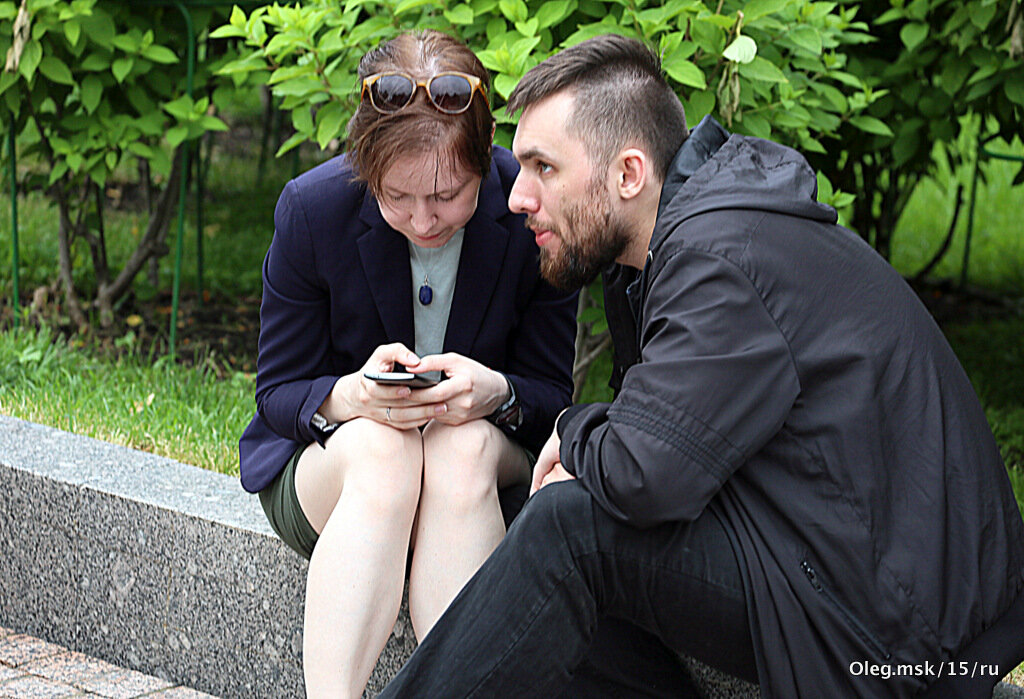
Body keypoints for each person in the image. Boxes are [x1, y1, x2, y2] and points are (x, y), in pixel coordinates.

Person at [379, 34, 1024, 698]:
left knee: (566, 525)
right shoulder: (665, 246)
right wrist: (589, 442)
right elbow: (656, 441)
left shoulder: (720, 257)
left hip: (901, 631)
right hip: (824, 558)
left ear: (629, 174)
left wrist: (573, 432)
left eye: (544, 167)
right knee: (529, 508)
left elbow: (646, 475)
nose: (518, 196)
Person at [236, 30, 580, 698]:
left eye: (449, 195)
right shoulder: (312, 210)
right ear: (364, 165)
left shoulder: (530, 213)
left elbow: (548, 395)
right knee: (384, 451)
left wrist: (494, 392)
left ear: (487, 156)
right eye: (397, 197)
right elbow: (277, 393)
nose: (424, 220)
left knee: (461, 445)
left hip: (476, 471)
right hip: (338, 469)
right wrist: (354, 397)